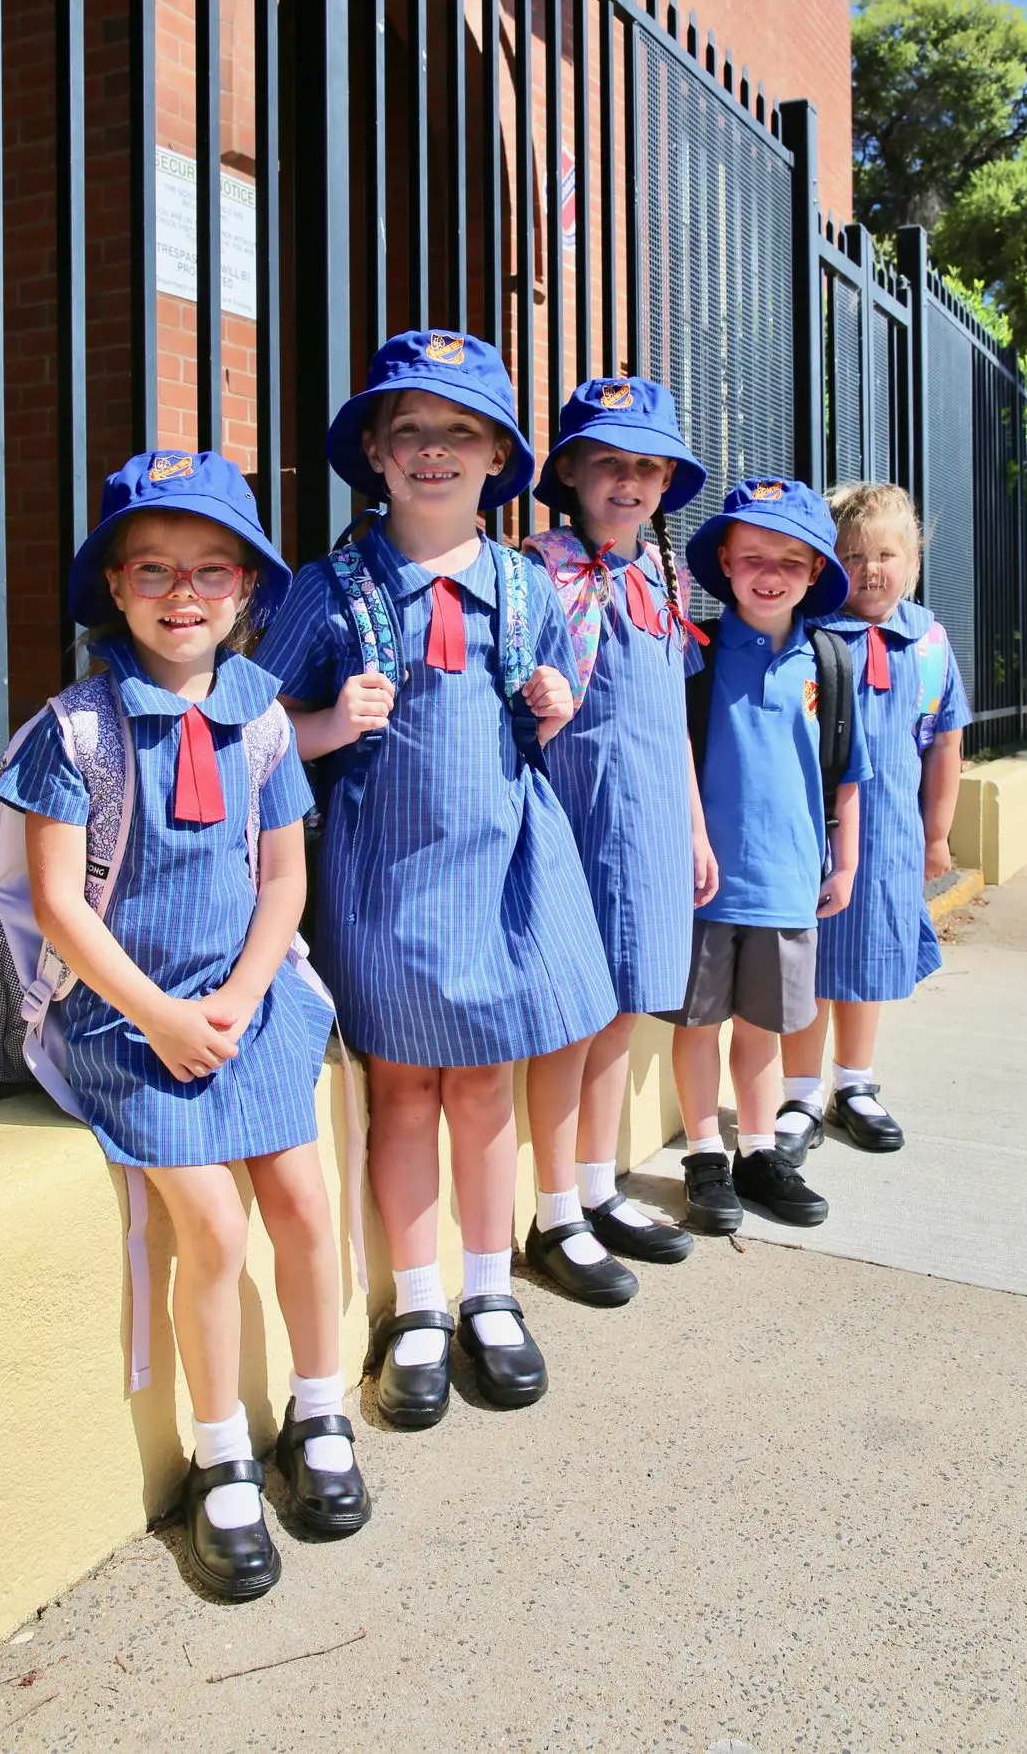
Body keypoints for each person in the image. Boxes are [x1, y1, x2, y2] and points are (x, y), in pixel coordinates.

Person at [0, 449, 368, 1604]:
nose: (182, 592)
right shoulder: (78, 733)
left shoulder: (260, 718)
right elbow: (61, 901)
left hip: (244, 1004)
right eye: (152, 567)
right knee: (210, 1222)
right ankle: (221, 1458)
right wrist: (159, 1016)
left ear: (248, 591)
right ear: (112, 586)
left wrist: (245, 998)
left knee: (302, 1202)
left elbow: (282, 884)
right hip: (125, 1023)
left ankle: (316, 1412)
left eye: (212, 569)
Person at [254, 329, 617, 1429]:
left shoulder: (524, 583)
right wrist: (320, 722)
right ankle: (416, 1307)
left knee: (481, 1087)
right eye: (407, 429)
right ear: (372, 448)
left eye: (460, 431)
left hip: (501, 869)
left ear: (498, 457)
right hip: (384, 879)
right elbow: (247, 724)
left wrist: (550, 710)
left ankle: (488, 1291)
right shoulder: (329, 590)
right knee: (404, 1092)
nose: (432, 451)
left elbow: (537, 725)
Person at [522, 378, 716, 1299]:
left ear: (668, 479)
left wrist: (695, 825)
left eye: (647, 465)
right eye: (609, 463)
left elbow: (673, 714)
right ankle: (553, 1208)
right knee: (573, 1019)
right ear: (569, 471)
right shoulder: (537, 571)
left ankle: (598, 1187)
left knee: (623, 1009)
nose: (629, 481)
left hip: (648, 829)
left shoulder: (665, 577)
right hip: (574, 819)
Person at [666, 477, 871, 1236]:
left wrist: (844, 864)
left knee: (762, 1026)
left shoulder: (828, 661)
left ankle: (757, 1150)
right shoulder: (699, 651)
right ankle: (703, 1156)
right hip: (708, 882)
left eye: (792, 558)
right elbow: (676, 751)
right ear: (724, 559)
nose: (771, 572)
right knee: (699, 1024)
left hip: (790, 882)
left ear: (817, 570)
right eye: (753, 555)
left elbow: (847, 774)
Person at [775, 480, 970, 1161]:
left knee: (867, 964)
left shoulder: (930, 643)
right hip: (812, 836)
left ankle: (854, 1085)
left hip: (889, 839)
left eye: (886, 553)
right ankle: (799, 1092)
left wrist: (938, 832)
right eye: (852, 554)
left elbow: (946, 743)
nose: (871, 568)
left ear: (913, 558)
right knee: (808, 966)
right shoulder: (811, 637)